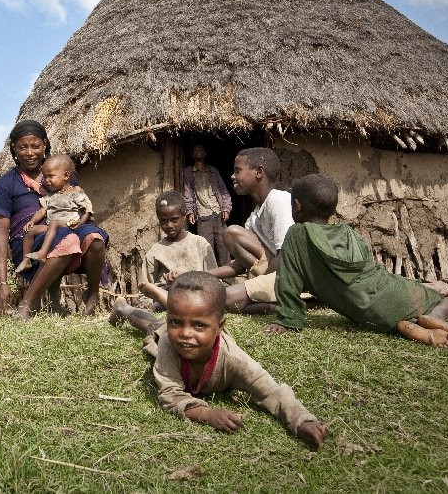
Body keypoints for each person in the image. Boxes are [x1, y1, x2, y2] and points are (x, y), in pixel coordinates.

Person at [109, 272, 327, 449]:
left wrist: (300, 419)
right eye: (176, 321)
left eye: (199, 325)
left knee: (157, 324)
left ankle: (146, 304)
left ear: (220, 327)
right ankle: (123, 309)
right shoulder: (169, 343)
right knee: (152, 326)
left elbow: (271, 391)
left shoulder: (233, 359)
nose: (185, 333)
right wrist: (207, 414)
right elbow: (170, 395)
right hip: (161, 334)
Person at [263, 174, 448, 348]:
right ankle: (434, 318)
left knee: (429, 299)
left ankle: (416, 324)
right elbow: (372, 273)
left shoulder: (297, 234)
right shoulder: (348, 233)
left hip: (371, 314)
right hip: (392, 293)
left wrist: (287, 320)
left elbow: (287, 281)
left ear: (297, 206)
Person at [0, 120, 107, 319]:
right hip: (28, 242)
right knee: (65, 240)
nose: (29, 153)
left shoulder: (63, 174)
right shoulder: (6, 184)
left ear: (45, 145)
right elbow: (1, 234)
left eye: (35, 146)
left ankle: (93, 295)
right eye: (22, 147)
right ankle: (26, 305)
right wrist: (2, 283)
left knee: (95, 238)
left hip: (67, 228)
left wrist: (81, 221)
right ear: (14, 149)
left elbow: (77, 207)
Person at [210, 148, 292, 314]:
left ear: (259, 172)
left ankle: (299, 297)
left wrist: (258, 284)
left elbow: (286, 254)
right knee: (226, 300)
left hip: (288, 273)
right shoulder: (254, 217)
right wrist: (202, 274)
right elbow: (239, 265)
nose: (233, 176)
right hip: (272, 275)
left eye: (238, 171)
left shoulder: (278, 199)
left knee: (231, 233)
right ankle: (285, 302)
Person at [138, 191, 217, 309]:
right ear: (158, 219)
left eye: (174, 219)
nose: (169, 225)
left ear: (184, 216)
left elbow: (214, 280)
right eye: (164, 221)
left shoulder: (200, 244)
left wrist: (187, 279)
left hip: (196, 294)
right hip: (165, 296)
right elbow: (145, 289)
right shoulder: (155, 252)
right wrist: (147, 302)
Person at [17, 154, 93, 273]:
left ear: (66, 175)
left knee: (54, 223)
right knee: (30, 231)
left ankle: (42, 253)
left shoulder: (75, 193)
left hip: (69, 225)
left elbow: (86, 210)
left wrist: (79, 224)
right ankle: (26, 260)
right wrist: (32, 221)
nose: (46, 181)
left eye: (50, 176)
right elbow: (42, 211)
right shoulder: (51, 196)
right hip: (51, 226)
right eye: (45, 177)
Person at [183, 143, 233, 264]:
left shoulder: (213, 171)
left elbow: (223, 190)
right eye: (196, 150)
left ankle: (227, 279)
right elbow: (187, 193)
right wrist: (190, 212)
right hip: (203, 216)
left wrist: (226, 208)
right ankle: (210, 278)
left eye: (201, 150)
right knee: (206, 249)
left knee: (224, 246)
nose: (199, 152)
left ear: (205, 154)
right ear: (192, 155)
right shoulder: (188, 172)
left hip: (218, 213)